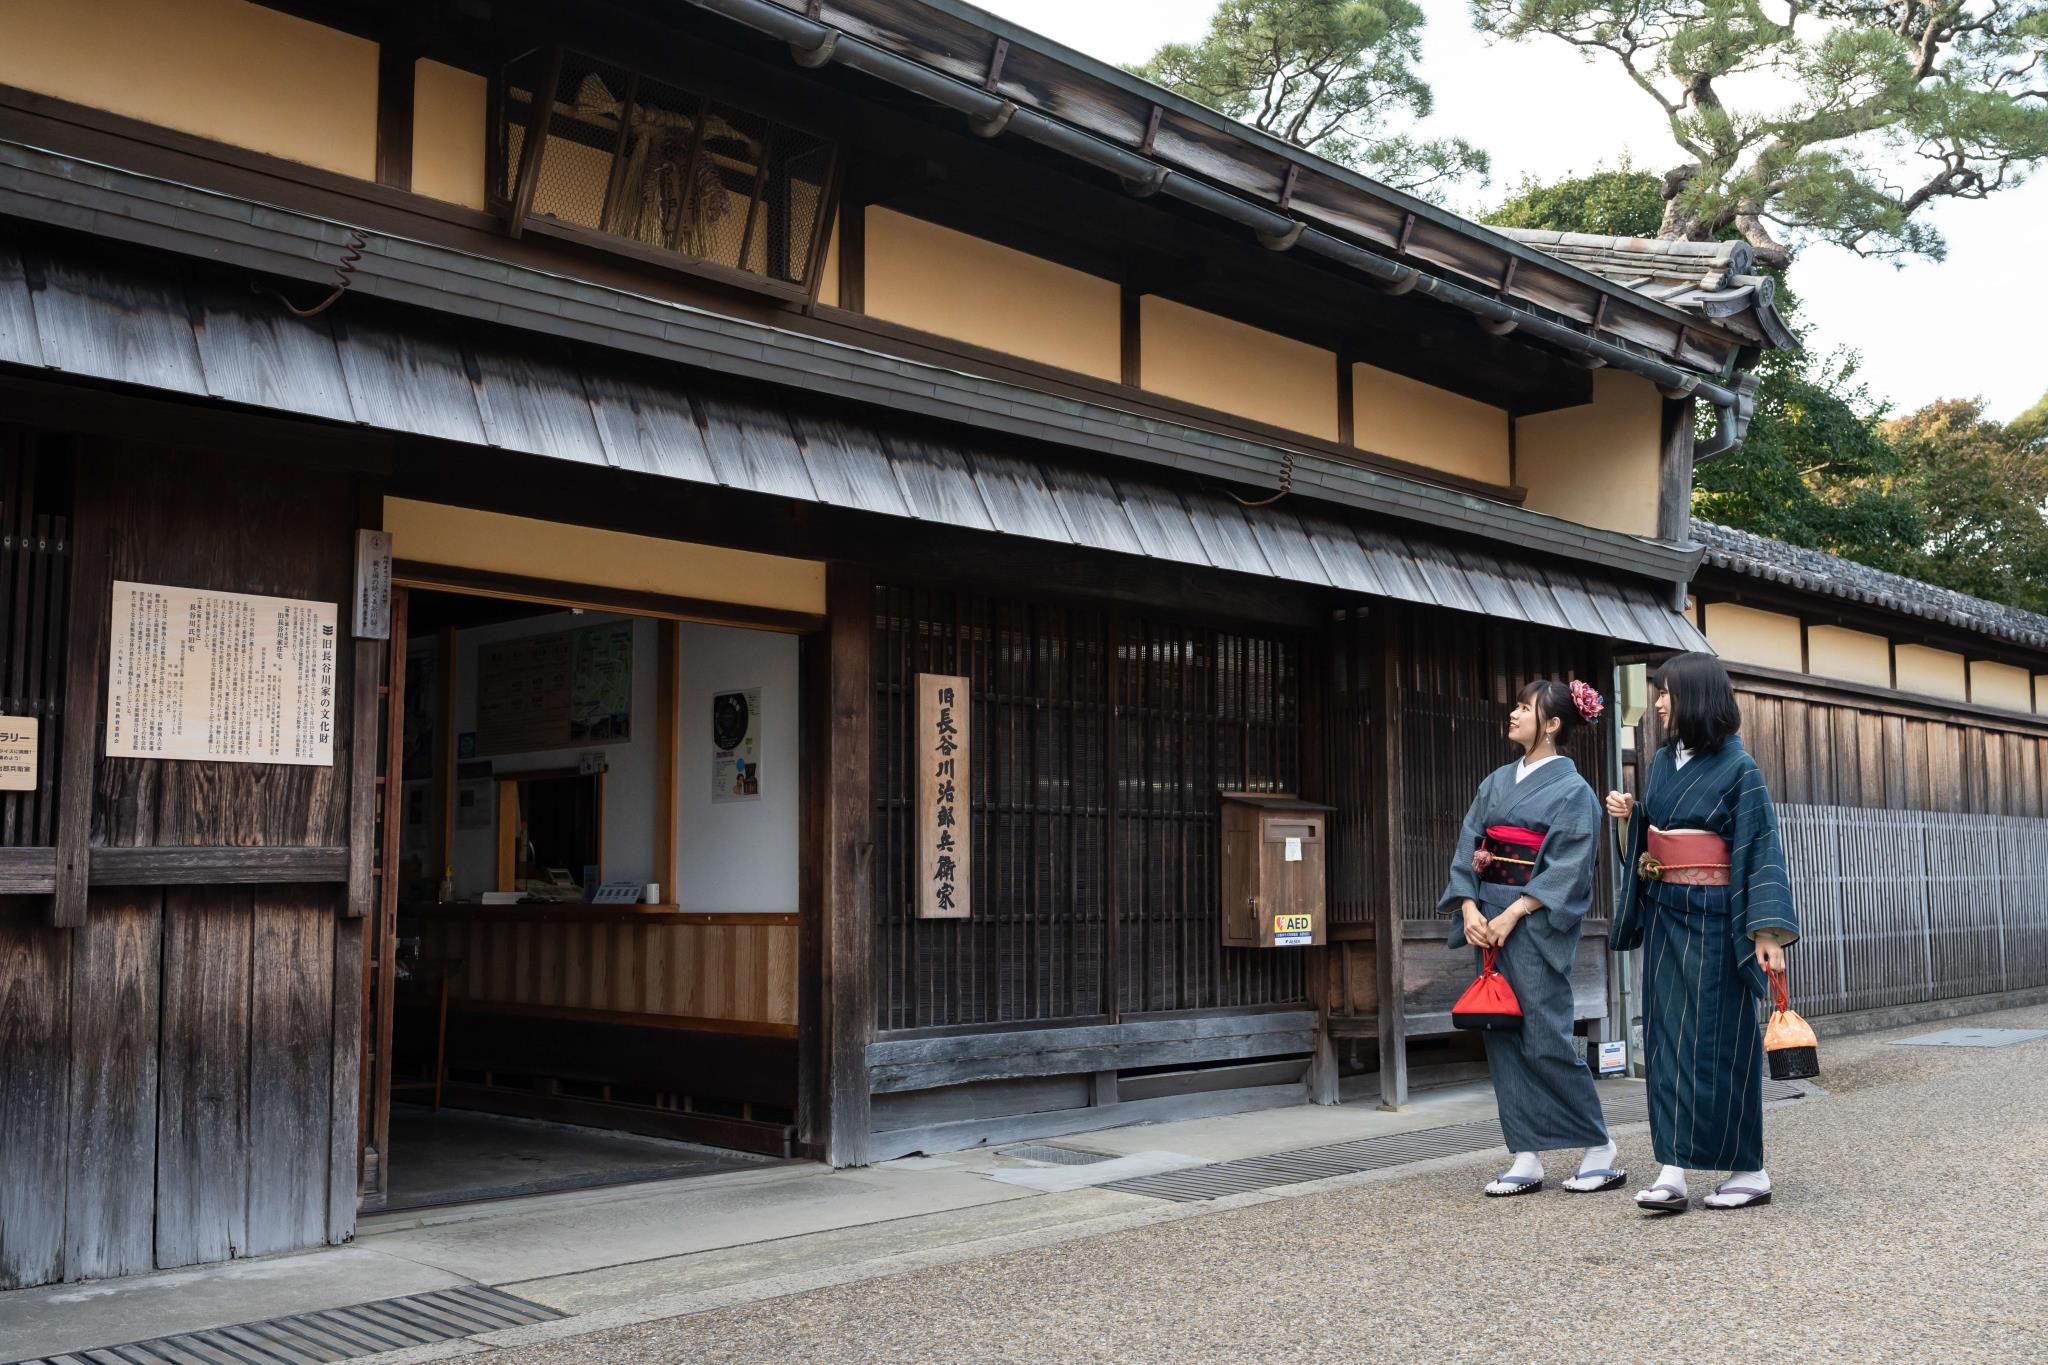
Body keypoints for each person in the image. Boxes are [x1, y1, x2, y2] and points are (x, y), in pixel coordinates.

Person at [1605, 651, 1798, 1214]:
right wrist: (1631, 819)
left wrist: (1764, 931)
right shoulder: (1663, 763)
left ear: (1693, 697)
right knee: (1666, 1042)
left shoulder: (1740, 769)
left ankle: (1749, 1168)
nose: (1658, 702)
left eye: (1664, 692)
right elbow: (1656, 837)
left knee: (1719, 1043)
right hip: (1668, 913)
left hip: (1718, 921)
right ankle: (1673, 1167)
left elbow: (1760, 847)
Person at [1439, 678, 1622, 1197]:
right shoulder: (1495, 782)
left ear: (1554, 724)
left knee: (1545, 1035)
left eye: (1525, 707)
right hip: (1489, 923)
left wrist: (1514, 912)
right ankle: (1525, 1153)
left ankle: (1599, 1147)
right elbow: (1469, 845)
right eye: (1517, 705)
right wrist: (1470, 906)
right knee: (1500, 1036)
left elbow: (1570, 867)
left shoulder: (1574, 792)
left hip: (1532, 925)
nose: (1514, 713)